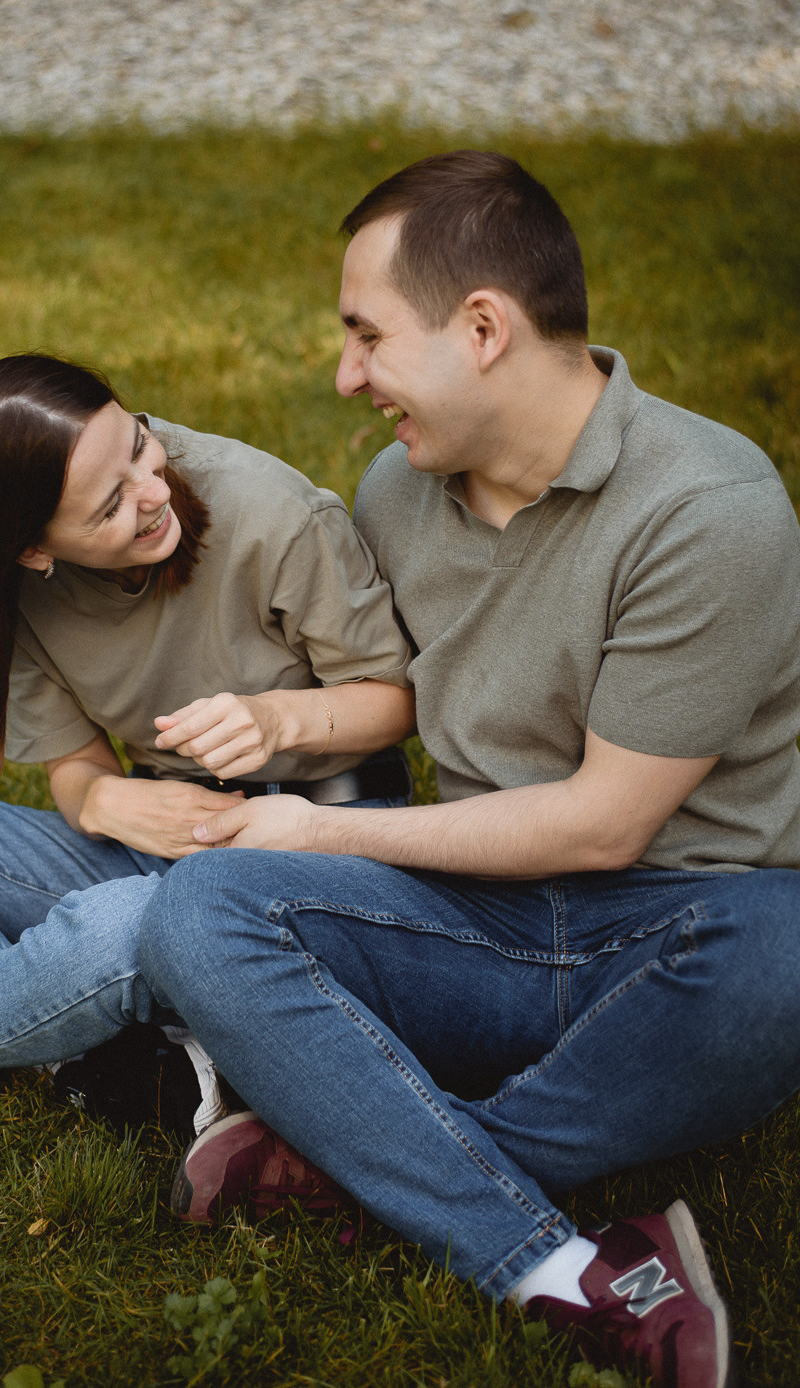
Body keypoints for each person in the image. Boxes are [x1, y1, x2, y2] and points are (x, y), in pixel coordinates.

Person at [129, 152, 800, 1388]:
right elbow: (371, 703)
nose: (344, 377)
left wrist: (315, 835)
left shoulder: (709, 509)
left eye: (365, 336)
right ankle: (560, 1260)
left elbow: (605, 828)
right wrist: (260, 735)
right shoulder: (399, 488)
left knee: (786, 961)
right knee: (201, 909)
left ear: (482, 326)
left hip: (682, 937)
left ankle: (358, 1155)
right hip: (472, 919)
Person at [0, 353, 414, 1117]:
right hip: (158, 844)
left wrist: (277, 718)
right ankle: (98, 1036)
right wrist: (98, 802)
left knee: (126, 922)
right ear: (33, 549)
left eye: (136, 446)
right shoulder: (17, 592)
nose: (154, 494)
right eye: (107, 506)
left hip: (323, 840)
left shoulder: (270, 510)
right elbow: (75, 768)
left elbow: (393, 699)